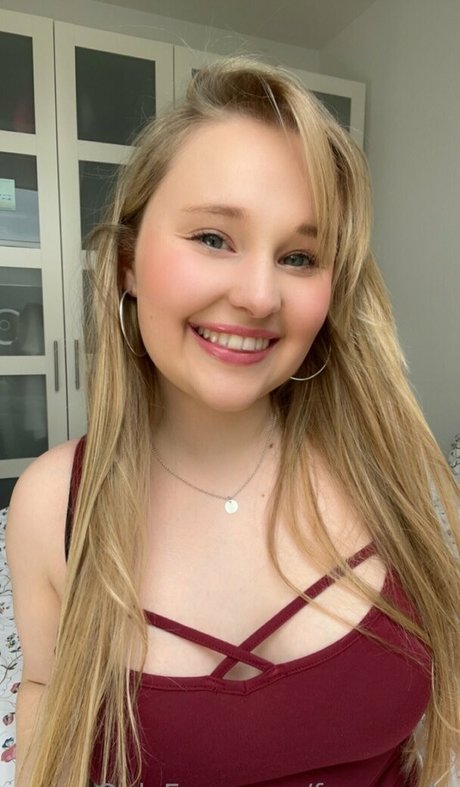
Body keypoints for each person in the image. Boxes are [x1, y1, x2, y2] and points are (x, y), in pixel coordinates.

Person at [6, 56, 460, 787]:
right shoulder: (51, 504)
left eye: (299, 256)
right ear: (126, 263)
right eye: (214, 238)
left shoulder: (385, 470)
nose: (259, 296)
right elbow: (45, 688)